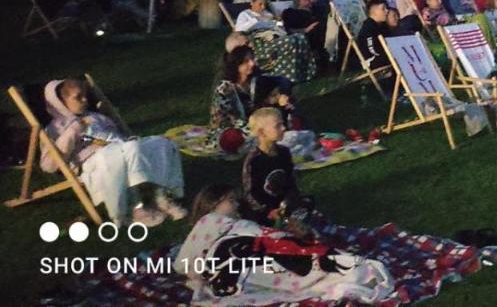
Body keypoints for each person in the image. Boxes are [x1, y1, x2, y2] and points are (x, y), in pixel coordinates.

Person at [178, 183, 395, 303]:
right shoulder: (209, 222)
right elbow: (185, 263)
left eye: (236, 200)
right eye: (230, 201)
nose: (236, 205)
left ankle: (345, 275)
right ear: (211, 205)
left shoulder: (242, 223)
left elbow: (266, 236)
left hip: (267, 249)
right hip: (243, 259)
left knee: (305, 256)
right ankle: (347, 275)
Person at [42, 77, 186, 226]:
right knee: (120, 153)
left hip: (121, 147)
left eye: (85, 95)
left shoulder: (94, 116)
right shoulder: (55, 128)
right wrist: (73, 130)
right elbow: (48, 165)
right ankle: (133, 207)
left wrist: (109, 117)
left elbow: (119, 134)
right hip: (94, 159)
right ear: (60, 102)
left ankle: (161, 197)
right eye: (78, 97)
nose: (85, 100)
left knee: (161, 143)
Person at [208, 44, 296, 153]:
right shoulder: (225, 89)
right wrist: (259, 129)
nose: (252, 63)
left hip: (255, 125)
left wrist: (282, 96)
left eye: (252, 59)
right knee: (233, 138)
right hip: (232, 128)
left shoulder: (255, 81)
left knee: (290, 121)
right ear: (237, 65)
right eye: (246, 61)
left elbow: (282, 81)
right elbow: (231, 120)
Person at [241, 107, 315, 227]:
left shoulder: (284, 152)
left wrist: (294, 199)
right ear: (261, 133)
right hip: (264, 213)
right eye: (278, 126)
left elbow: (290, 181)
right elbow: (250, 194)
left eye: (283, 124)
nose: (284, 128)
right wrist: (268, 211)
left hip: (285, 205)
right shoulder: (254, 160)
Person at [355, 0, 393, 72]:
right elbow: (372, 50)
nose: (387, 11)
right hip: (371, 60)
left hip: (383, 55)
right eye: (383, 9)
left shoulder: (383, 26)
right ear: (374, 11)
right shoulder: (368, 28)